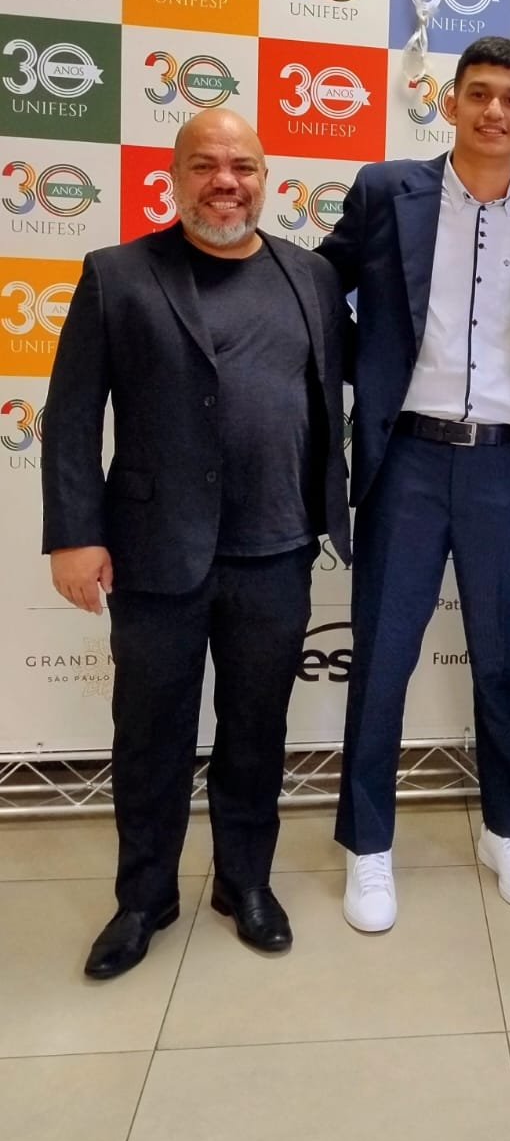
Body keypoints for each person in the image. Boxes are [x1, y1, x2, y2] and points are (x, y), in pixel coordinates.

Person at [42, 109, 351, 978]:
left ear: (265, 178)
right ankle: (144, 899)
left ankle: (243, 883)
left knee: (256, 730)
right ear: (173, 178)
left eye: (242, 166)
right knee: (151, 736)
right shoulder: (117, 274)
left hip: (277, 548)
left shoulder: (311, 277)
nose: (226, 182)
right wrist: (74, 535)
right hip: (154, 551)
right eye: (206, 165)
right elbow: (70, 415)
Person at [318, 36, 510, 931]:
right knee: (382, 659)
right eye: (478, 93)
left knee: (504, 662)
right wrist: (367, 367)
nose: (493, 111)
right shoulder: (385, 191)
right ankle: (368, 845)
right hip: (407, 460)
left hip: (508, 464)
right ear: (451, 103)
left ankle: (507, 830)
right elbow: (316, 288)